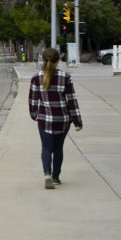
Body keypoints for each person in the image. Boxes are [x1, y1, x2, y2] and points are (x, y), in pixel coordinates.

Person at [28, 46, 82, 188]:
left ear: (43, 60)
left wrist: (35, 115)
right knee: (58, 149)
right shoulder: (66, 78)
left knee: (46, 148)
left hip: (44, 120)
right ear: (58, 61)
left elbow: (33, 100)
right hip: (62, 120)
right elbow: (72, 101)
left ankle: (47, 174)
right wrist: (77, 122)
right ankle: (56, 177)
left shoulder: (36, 78)